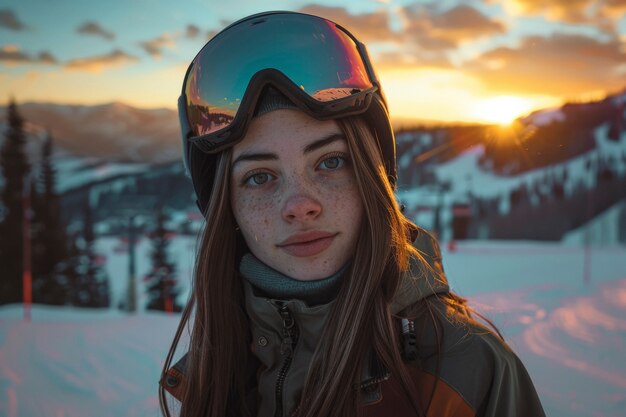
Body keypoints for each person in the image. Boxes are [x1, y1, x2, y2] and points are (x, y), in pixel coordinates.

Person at [159, 11, 546, 417]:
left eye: (330, 162)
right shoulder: (216, 373)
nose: (300, 205)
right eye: (259, 177)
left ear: (371, 178)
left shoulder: (468, 375)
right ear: (226, 206)